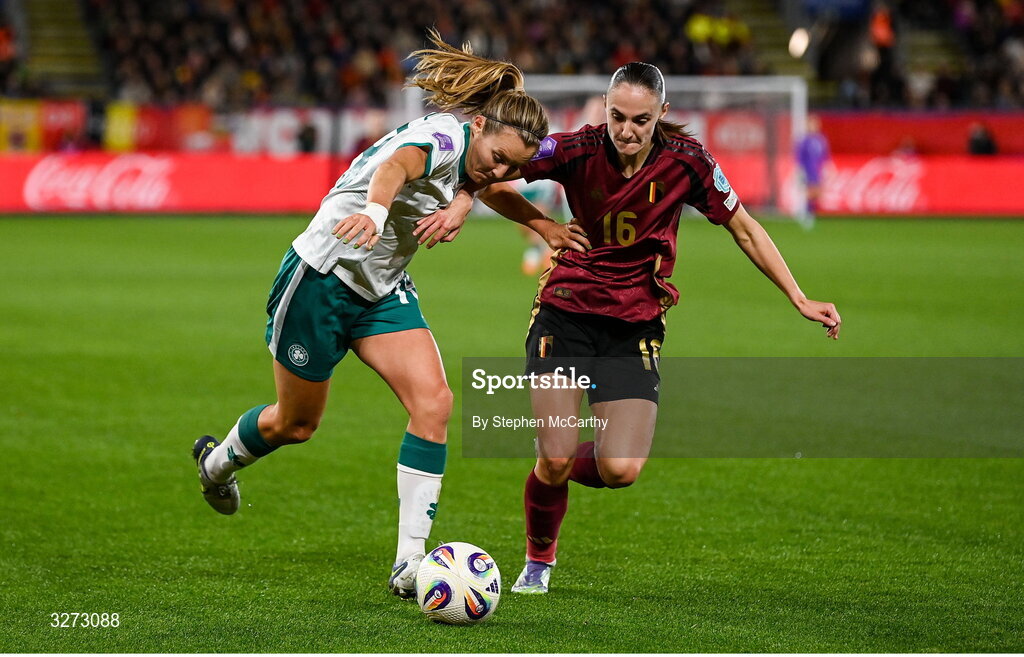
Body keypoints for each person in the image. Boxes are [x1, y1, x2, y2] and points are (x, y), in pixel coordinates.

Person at [190, 29, 579, 600]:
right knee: (296, 425)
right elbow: (397, 165)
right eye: (497, 158)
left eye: (509, 168)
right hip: (322, 277)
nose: (499, 172)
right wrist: (375, 212)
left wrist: (538, 222)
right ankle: (217, 464)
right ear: (481, 128)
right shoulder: (445, 136)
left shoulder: (478, 155)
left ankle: (409, 564)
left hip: (381, 288)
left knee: (435, 402)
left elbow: (482, 181)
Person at [447, 62, 841, 594]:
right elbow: (487, 172)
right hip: (565, 310)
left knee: (621, 470)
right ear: (605, 110)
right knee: (558, 457)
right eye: (617, 117)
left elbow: (745, 229)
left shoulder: (690, 163)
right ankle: (539, 560)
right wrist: (530, 220)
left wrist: (798, 296)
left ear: (663, 114)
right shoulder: (573, 149)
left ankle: (554, 461)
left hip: (635, 324)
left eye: (639, 119)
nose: (626, 131)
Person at [794, 114, 831, 224]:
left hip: (818, 171)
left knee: (816, 193)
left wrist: (827, 168)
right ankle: (806, 214)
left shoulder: (821, 140)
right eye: (810, 124)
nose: (812, 126)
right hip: (808, 170)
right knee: (809, 193)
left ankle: (810, 213)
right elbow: (799, 157)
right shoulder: (804, 140)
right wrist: (800, 171)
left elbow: (825, 156)